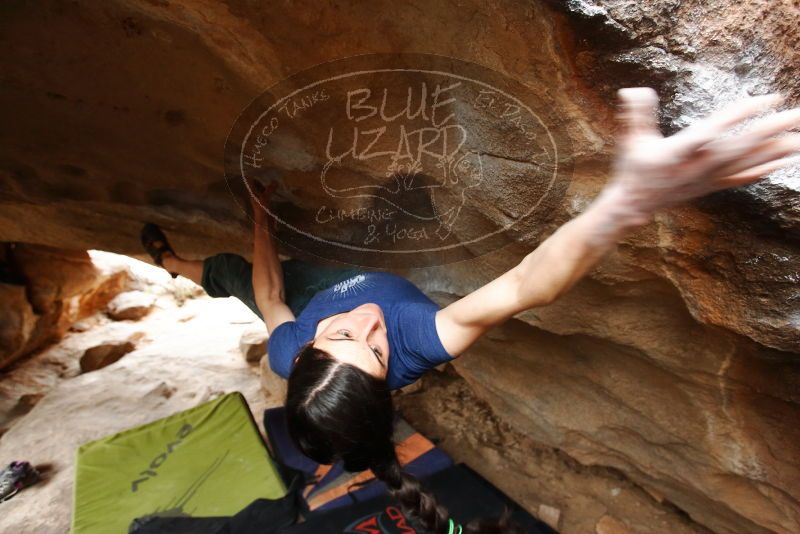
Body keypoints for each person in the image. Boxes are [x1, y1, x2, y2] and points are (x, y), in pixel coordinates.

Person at [143, 88, 800, 533]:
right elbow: (523, 286)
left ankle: (172, 261)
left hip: (312, 284)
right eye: (373, 352)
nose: (371, 323)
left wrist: (263, 218)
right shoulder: (419, 338)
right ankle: (174, 263)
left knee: (234, 270)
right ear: (390, 371)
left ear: (307, 352)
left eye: (344, 335)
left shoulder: (290, 351)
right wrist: (627, 203)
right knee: (238, 272)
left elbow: (270, 296)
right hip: (330, 289)